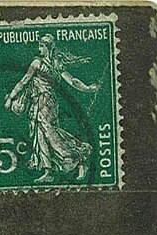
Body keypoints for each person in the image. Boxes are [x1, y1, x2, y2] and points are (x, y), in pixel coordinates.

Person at [5, 33, 98, 184]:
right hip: (40, 102)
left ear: (48, 47)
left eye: (41, 46)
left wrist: (10, 98)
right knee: (41, 135)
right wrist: (87, 88)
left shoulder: (40, 63)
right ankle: (49, 171)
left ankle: (80, 154)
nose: (39, 48)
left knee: (49, 132)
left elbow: (24, 81)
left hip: (45, 102)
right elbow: (72, 82)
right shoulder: (53, 63)